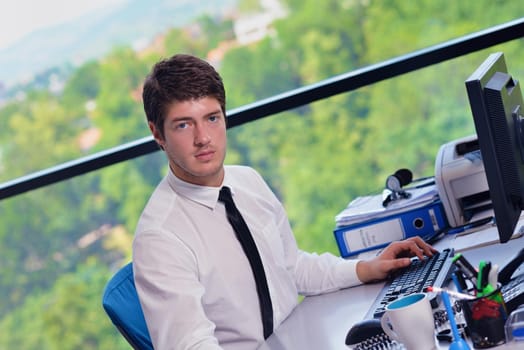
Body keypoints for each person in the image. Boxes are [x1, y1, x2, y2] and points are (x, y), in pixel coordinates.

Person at [132, 53, 437, 350]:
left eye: (212, 118)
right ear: (157, 133)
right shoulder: (160, 237)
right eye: (183, 125)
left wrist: (366, 269)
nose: (203, 138)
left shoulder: (247, 181)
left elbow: (291, 268)